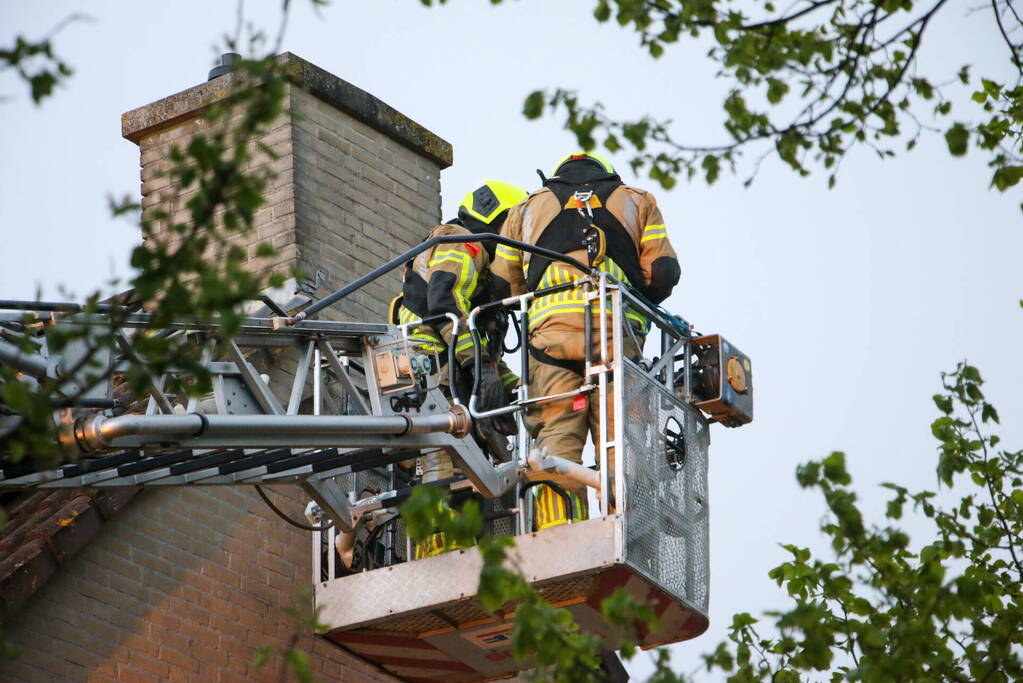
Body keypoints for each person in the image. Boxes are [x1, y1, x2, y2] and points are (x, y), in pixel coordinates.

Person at [491, 152, 681, 530]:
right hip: (615, 336)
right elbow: (664, 272)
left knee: (556, 439)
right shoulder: (636, 200)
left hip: (550, 341)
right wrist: (639, 298)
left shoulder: (527, 208)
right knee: (624, 438)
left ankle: (557, 534)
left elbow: (501, 285)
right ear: (607, 174)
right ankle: (629, 532)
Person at [394, 180, 527, 558]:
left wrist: (512, 384)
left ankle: (469, 551)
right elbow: (442, 300)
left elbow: (477, 340)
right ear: (501, 223)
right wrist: (479, 366)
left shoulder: (482, 270)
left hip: (449, 371)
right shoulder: (460, 240)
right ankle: (438, 558)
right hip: (429, 369)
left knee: (472, 465)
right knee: (443, 460)